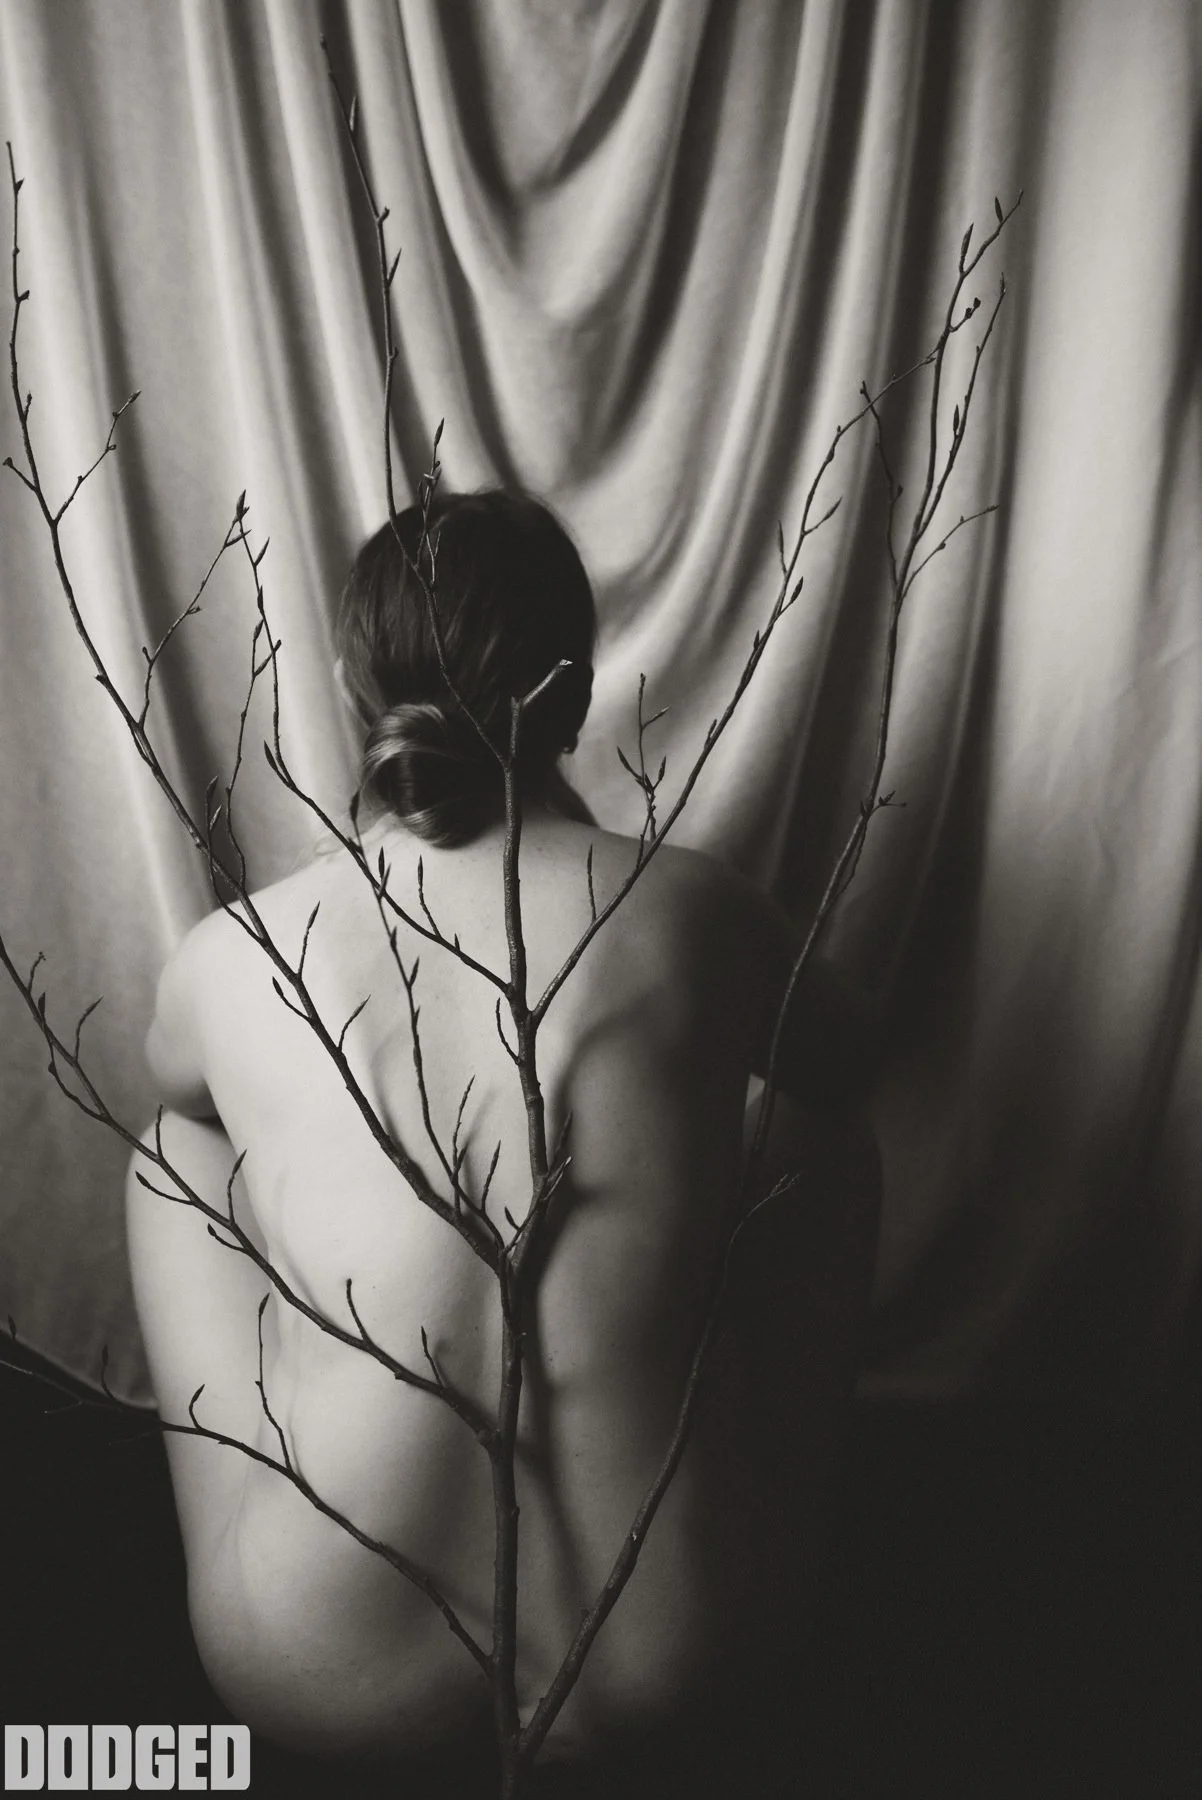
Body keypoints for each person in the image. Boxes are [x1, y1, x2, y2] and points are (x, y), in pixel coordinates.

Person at [127, 490, 880, 1785]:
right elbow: (849, 1064)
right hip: (677, 1650)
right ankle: (764, 1509)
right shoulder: (697, 907)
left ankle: (307, 1474)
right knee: (811, 1131)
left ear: (354, 694)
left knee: (174, 1147)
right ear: (574, 699)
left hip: (318, 1660)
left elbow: (176, 1085)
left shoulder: (240, 951)